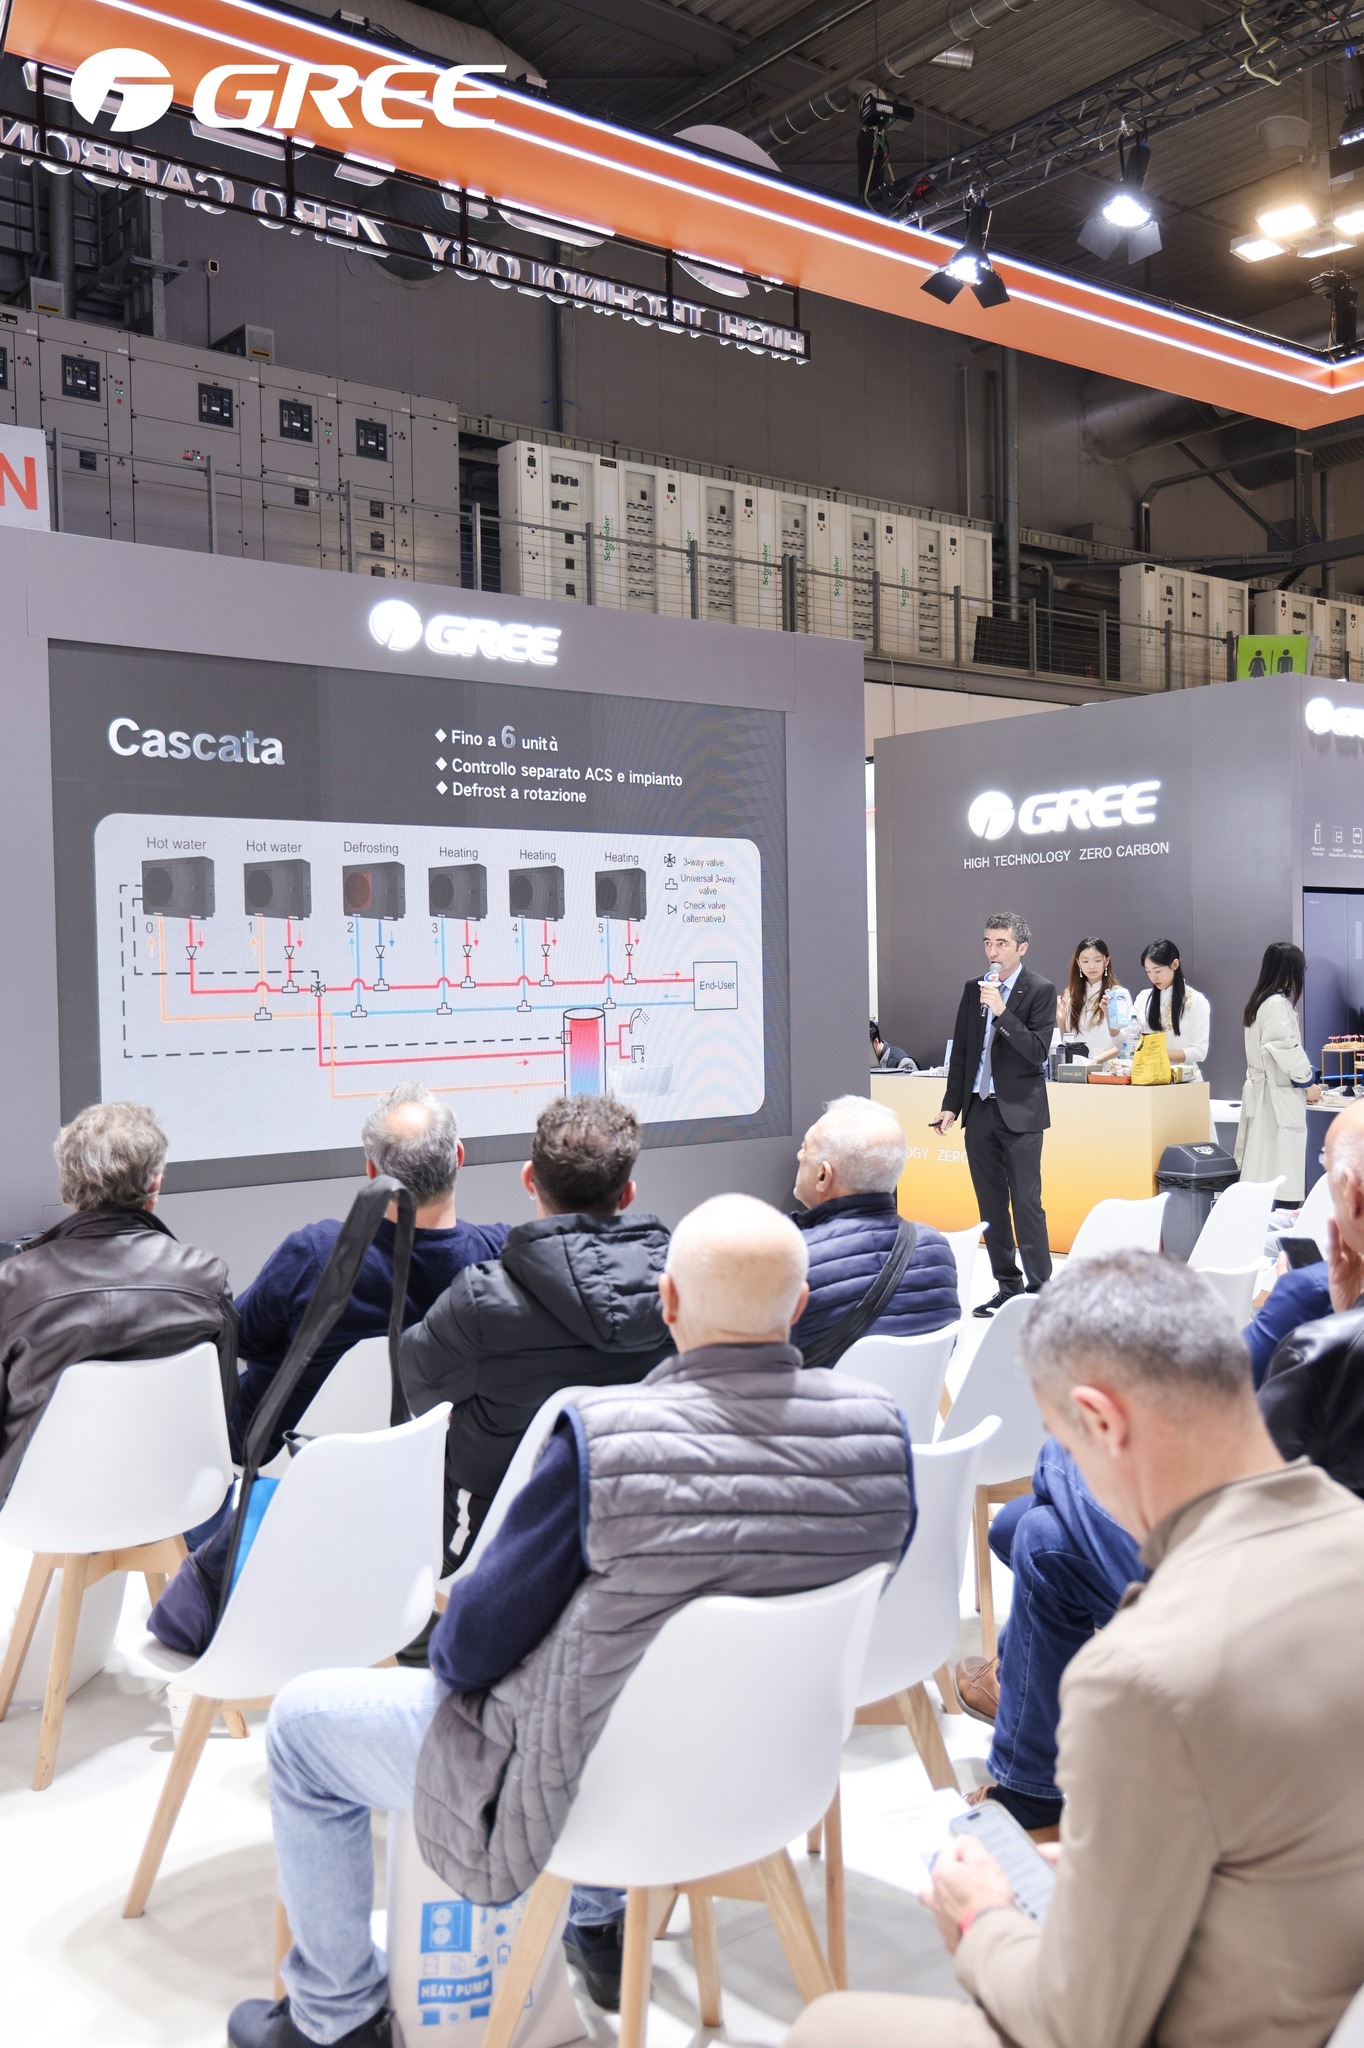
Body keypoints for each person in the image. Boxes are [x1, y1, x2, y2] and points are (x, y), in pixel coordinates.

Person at [224, 1194, 917, 2048]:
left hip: (590, 1789)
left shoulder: (605, 1441)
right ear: (800, 1305)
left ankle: (336, 2018)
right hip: (771, 1774)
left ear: (668, 1302)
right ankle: (594, 1917)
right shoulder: (882, 1433)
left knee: (302, 1727)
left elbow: (466, 1650)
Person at [789, 1251, 1364, 2048]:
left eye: (1068, 1444)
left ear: (1102, 1422)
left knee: (828, 2025)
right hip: (1307, 1970)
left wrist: (982, 1920)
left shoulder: (1140, 1675)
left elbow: (1078, 2024)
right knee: (1046, 1539)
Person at [956, 1106, 1364, 1829]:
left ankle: (1030, 1736)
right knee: (1039, 1537)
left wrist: (1333, 1306)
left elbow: (1234, 1460)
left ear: (1351, 1198)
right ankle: (1029, 1778)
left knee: (1062, 1460)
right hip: (1312, 1580)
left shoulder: (1328, 1335)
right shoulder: (1330, 1318)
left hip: (1267, 1599)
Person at [399, 1094, 672, 1560]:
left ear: (529, 1179)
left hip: (506, 1543)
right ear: (627, 1194)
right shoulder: (683, 1289)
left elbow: (416, 1390)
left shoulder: (479, 1300)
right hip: (642, 1531)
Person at [230, 1085, 507, 1461]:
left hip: (288, 1459)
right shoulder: (496, 1260)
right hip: (421, 1461)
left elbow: (243, 1339)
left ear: (373, 1172)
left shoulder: (317, 1253)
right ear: (458, 1156)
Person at [0, 1101, 236, 1508]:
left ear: (67, 1185)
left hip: (39, 1509)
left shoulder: (11, 1286)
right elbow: (221, 1407)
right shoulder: (206, 1278)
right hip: (173, 1501)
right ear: (155, 1185)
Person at [932, 913, 1056, 1315]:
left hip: (1020, 1113)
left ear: (1022, 947)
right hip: (980, 1109)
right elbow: (963, 1052)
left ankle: (1041, 1291)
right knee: (990, 1205)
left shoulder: (1040, 990)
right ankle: (1007, 1286)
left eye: (1001, 943)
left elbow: (1037, 1052)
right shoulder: (975, 989)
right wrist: (951, 1105)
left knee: (1026, 1203)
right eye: (987, 942)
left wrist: (1003, 1012)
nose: (992, 951)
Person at [792, 1094, 958, 1349]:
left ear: (824, 1176)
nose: (799, 1155)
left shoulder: (796, 1261)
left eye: (805, 1148)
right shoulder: (937, 1249)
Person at [1235, 941, 1321, 1204]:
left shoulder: (1259, 1002)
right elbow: (1285, 1048)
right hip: (1274, 1097)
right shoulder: (1275, 1003)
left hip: (1265, 1094)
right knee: (1279, 1173)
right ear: (1289, 970)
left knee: (1261, 1167)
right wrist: (1308, 1082)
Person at [1052, 936, 1128, 1067]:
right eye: (1085, 961)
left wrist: (1097, 1059)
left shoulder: (1118, 994)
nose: (1091, 966)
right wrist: (1061, 1020)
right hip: (1078, 1068)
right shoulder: (1070, 994)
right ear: (1078, 962)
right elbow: (1068, 1041)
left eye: (1097, 960)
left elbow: (1125, 1041)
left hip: (1109, 1068)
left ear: (1106, 960)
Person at [1138, 937, 1211, 1071]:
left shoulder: (1195, 1000)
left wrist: (1161, 1055)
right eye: (1148, 971)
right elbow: (1128, 1036)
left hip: (1184, 1078)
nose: (1153, 977)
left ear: (1175, 964)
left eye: (1157, 971)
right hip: (1149, 1077)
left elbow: (1200, 1051)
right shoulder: (1143, 998)